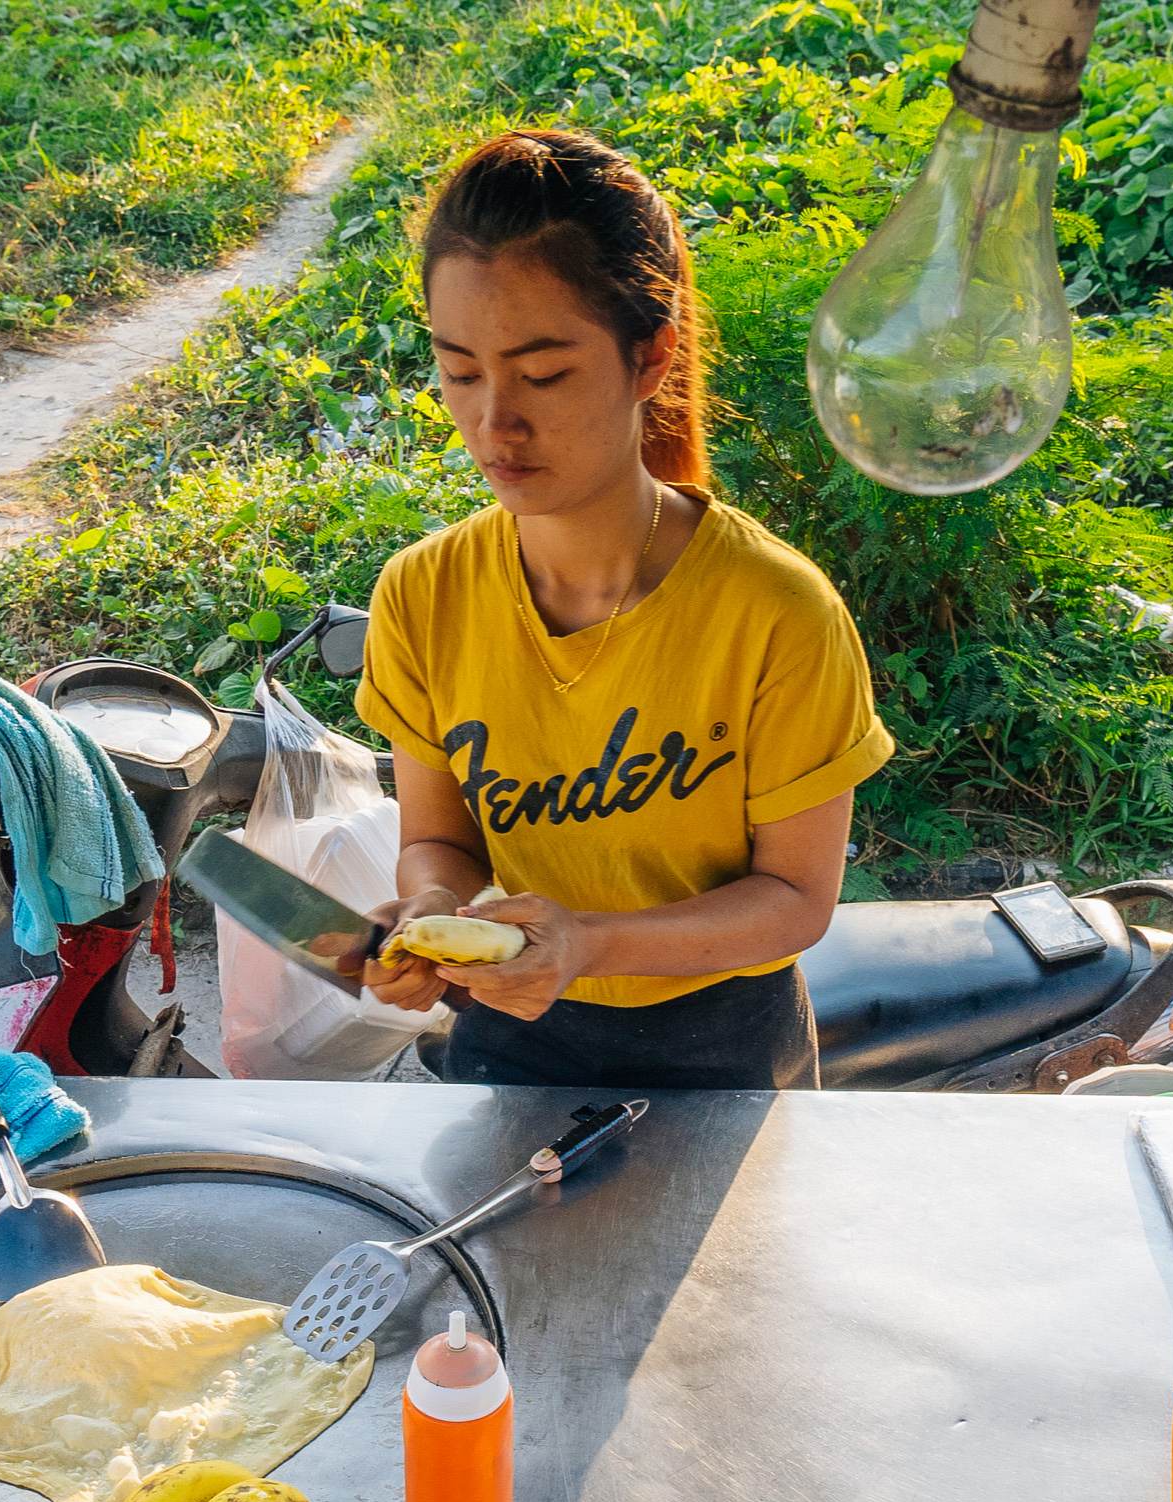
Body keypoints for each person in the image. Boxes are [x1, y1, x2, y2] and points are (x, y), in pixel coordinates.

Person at [349, 127, 894, 1090]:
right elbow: (438, 838)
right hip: (509, 1037)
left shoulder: (776, 612)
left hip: (727, 1047)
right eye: (461, 370)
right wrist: (435, 911)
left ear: (649, 358)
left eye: (544, 373)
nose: (493, 422)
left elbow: (798, 898)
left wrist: (588, 943)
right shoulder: (423, 595)